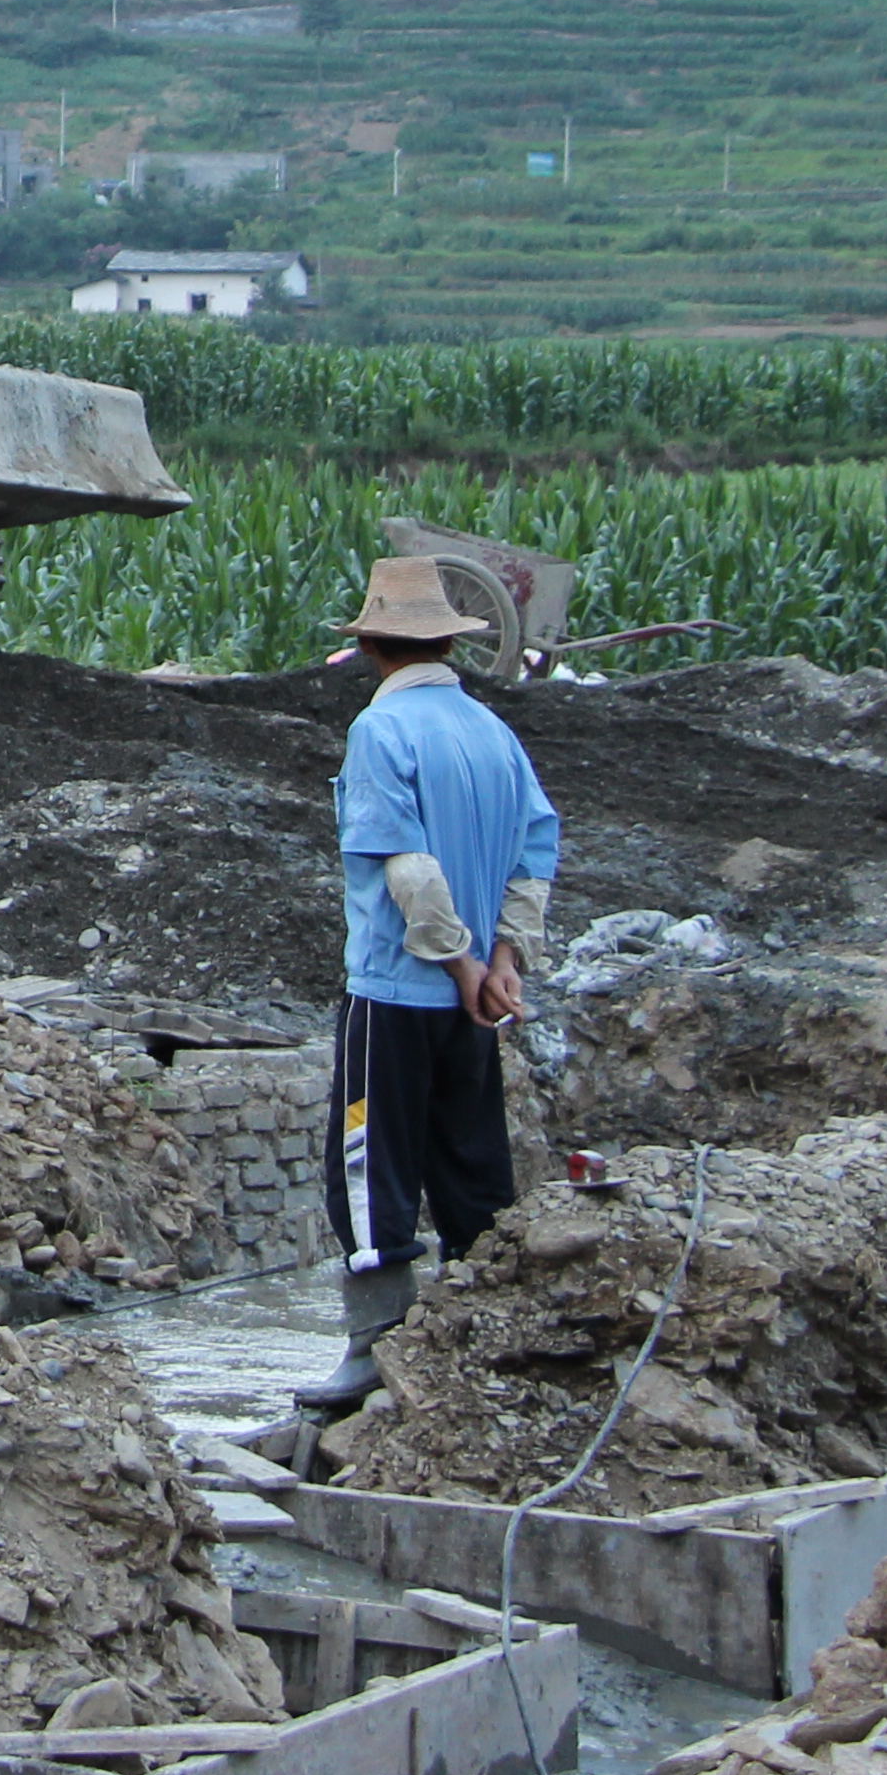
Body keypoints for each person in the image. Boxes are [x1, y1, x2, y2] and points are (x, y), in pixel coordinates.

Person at [299, 557, 563, 1418]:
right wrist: (504, 961)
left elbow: (405, 866)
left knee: (369, 1165)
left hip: (397, 989)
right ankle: (484, 1328)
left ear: (373, 646)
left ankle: (374, 1343)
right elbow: (534, 855)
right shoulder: (492, 732)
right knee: (471, 1159)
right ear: (449, 641)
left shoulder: (381, 731)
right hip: (474, 1004)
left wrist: (457, 961)